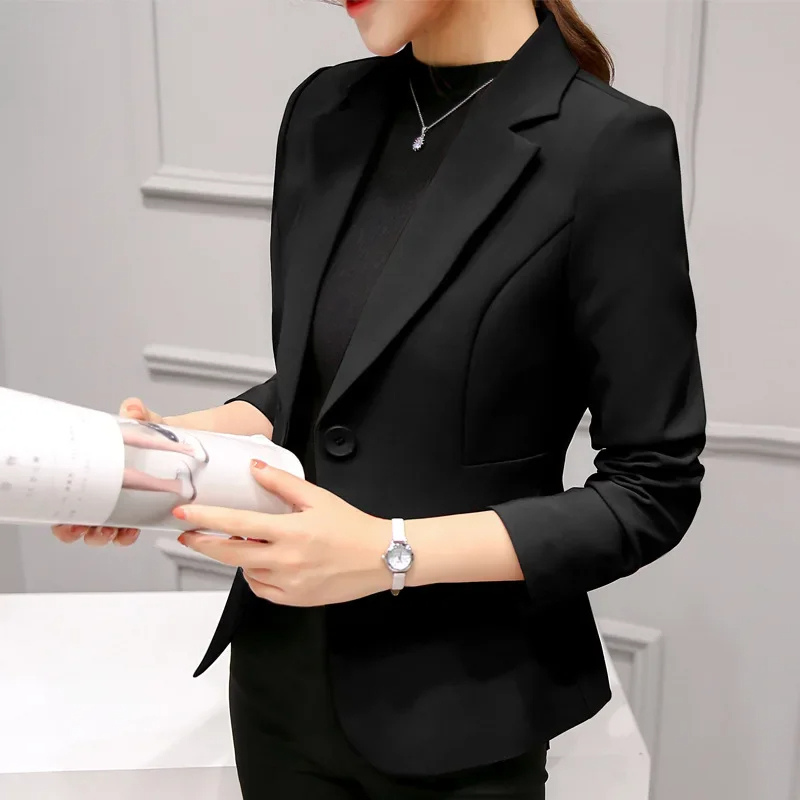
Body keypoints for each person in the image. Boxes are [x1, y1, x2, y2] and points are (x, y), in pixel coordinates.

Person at [52, 0, 707, 796]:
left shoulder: (610, 147)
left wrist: (389, 554)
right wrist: (172, 448)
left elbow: (652, 487)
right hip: (278, 684)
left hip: (461, 716)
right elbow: (326, 387)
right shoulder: (325, 109)